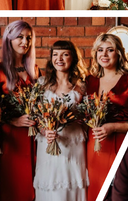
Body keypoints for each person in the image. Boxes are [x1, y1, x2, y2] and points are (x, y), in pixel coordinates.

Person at [85, 34, 128, 200]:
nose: (104, 55)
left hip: (121, 143)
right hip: (94, 145)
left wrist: (113, 127)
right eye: (100, 50)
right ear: (95, 54)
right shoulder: (89, 80)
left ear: (118, 53)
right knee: (97, 190)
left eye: (110, 50)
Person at [0, 20, 39, 201]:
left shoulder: (34, 69)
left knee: (33, 182)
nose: (25, 42)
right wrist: (13, 120)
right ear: (9, 39)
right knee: (13, 183)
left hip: (33, 136)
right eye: (20, 37)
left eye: (28, 38)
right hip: (11, 138)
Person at [33, 40, 89, 199]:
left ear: (73, 59)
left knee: (71, 182)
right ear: (51, 58)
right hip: (49, 141)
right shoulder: (41, 84)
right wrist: (45, 130)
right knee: (51, 185)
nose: (60, 59)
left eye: (65, 54)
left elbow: (87, 116)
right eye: (55, 55)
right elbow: (35, 116)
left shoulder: (81, 86)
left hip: (73, 142)